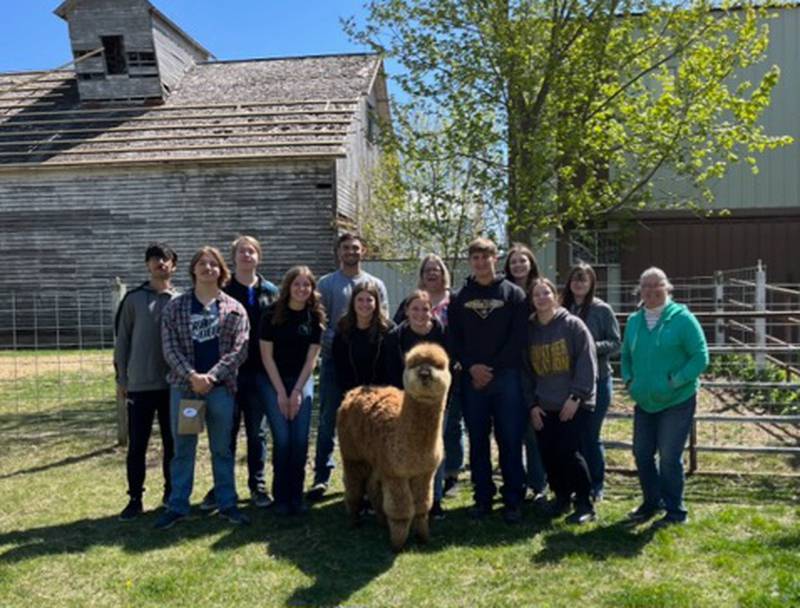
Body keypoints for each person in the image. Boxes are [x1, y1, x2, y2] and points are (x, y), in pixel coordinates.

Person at [156, 246, 250, 529]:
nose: (208, 268)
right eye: (202, 264)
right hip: (187, 391)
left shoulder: (234, 308)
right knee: (184, 449)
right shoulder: (176, 306)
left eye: (213, 264)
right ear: (193, 269)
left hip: (220, 390)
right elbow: (169, 347)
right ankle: (178, 506)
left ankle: (227, 503)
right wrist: (193, 376)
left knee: (222, 449)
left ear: (221, 271)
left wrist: (211, 377)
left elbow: (240, 348)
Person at [448, 237, 529, 523]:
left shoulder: (513, 295)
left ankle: (513, 499)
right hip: (473, 380)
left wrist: (491, 369)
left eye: (486, 257)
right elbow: (453, 339)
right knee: (478, 441)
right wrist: (472, 367)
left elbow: (518, 338)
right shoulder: (459, 298)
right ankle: (482, 497)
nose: (481, 263)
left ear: (496, 258)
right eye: (475, 258)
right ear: (471, 261)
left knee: (509, 439)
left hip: (506, 378)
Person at [622, 267, 708, 527]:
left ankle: (675, 510)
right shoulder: (634, 321)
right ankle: (652, 501)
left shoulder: (682, 319)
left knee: (670, 456)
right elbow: (625, 356)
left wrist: (676, 380)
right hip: (645, 400)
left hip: (676, 399)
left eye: (656, 285)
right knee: (642, 452)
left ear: (667, 288)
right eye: (645, 286)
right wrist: (629, 381)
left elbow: (700, 356)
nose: (651, 291)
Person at [308, 233, 389, 501]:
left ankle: (368, 478)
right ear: (338, 252)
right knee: (330, 419)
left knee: (370, 423)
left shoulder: (375, 283)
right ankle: (322, 476)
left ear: (363, 251)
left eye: (355, 247)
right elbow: (320, 322)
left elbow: (383, 319)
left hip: (370, 366)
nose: (351, 252)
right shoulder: (327, 283)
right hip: (335, 364)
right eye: (346, 248)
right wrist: (344, 342)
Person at [200, 236, 278, 511]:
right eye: (242, 251)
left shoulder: (271, 291)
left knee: (257, 432)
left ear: (259, 256)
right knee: (226, 431)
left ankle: (257, 486)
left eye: (252, 251)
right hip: (228, 373)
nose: (247, 255)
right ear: (233, 258)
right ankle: (222, 486)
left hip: (259, 372)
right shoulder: (222, 290)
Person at [524, 277, 598, 524]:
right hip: (544, 405)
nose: (542, 298)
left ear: (554, 296)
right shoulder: (529, 331)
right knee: (549, 454)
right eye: (537, 295)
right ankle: (562, 498)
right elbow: (526, 372)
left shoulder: (572, 325)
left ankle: (585, 502)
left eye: (546, 293)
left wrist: (576, 397)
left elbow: (587, 362)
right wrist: (532, 405)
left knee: (569, 452)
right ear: (532, 300)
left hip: (572, 403)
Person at [114, 242, 179, 521]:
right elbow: (122, 342)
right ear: (147, 265)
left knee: (172, 444)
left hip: (172, 385)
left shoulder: (181, 300)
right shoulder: (133, 299)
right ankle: (135, 498)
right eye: (154, 259)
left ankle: (170, 493)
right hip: (139, 385)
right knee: (138, 444)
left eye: (165, 259)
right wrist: (122, 378)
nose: (160, 264)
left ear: (173, 265)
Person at [393, 254, 464, 496]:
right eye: (428, 270)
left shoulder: (453, 302)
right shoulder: (408, 307)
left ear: (444, 273)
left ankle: (449, 476)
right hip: (411, 386)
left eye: (437, 269)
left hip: (442, 379)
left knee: (448, 428)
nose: (432, 273)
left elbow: (457, 341)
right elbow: (395, 337)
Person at [260, 266, 324, 516]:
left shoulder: (315, 317)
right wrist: (281, 393)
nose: (301, 289)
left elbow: (311, 361)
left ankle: (296, 496)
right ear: (288, 287)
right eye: (297, 284)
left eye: (306, 285)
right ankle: (281, 497)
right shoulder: (271, 314)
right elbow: (267, 357)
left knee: (299, 440)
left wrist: (296, 392)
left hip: (301, 380)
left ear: (311, 289)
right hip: (273, 380)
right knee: (283, 439)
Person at [384, 289, 449, 518]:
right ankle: (405, 499)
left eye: (425, 309)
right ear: (407, 311)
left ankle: (434, 500)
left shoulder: (442, 333)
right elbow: (391, 372)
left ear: (431, 311)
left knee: (433, 453)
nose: (420, 314)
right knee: (407, 450)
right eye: (415, 309)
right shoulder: (397, 336)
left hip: (434, 404)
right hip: (406, 404)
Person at [561, 262, 621, 501]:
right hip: (566, 382)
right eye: (575, 279)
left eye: (583, 279)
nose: (579, 283)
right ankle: (574, 482)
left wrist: (589, 348)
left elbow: (616, 342)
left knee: (590, 435)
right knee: (570, 436)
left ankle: (596, 484)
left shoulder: (602, 310)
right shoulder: (562, 309)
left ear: (591, 283)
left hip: (598, 379)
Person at [503, 243, 547, 502]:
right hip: (510, 368)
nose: (518, 265)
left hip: (537, 367)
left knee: (534, 430)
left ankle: (538, 484)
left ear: (531, 263)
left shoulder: (540, 290)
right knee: (511, 431)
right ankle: (515, 483)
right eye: (513, 262)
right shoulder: (504, 292)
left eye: (523, 261)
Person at [332, 281, 393, 394]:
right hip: (351, 394)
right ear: (353, 303)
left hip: (382, 394)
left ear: (376, 303)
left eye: (369, 300)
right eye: (360, 300)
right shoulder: (343, 329)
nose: (364, 304)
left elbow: (392, 367)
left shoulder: (388, 330)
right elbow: (340, 368)